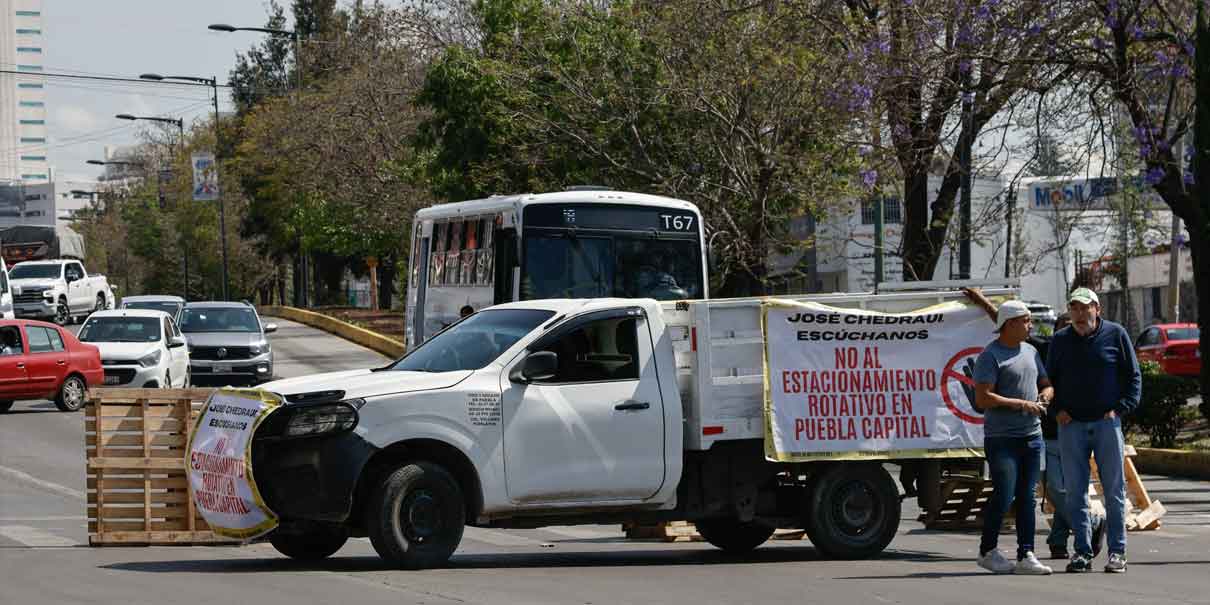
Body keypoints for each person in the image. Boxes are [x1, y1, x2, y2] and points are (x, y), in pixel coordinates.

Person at [1046, 287, 1140, 574]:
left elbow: (1133, 375)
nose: (1079, 313)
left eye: (1085, 307)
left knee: (1114, 491)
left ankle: (1117, 553)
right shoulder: (1060, 340)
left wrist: (1121, 408)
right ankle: (1083, 553)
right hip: (1071, 425)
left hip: (1106, 423)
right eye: (1074, 308)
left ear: (1097, 309)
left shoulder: (1116, 334)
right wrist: (1056, 410)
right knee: (1075, 492)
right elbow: (1048, 380)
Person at [972, 299, 1053, 575]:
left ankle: (1026, 554)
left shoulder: (1031, 351)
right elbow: (982, 398)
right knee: (1005, 494)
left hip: (1032, 437)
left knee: (1027, 497)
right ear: (1009, 324)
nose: (1030, 325)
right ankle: (987, 551)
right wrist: (1021, 404)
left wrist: (1044, 396)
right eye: (1026, 320)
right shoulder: (990, 355)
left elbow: (1046, 383)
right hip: (1001, 438)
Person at [1036, 312, 1104, 560]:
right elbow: (1007, 324)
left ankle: (1069, 533)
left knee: (1063, 488)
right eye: (1063, 328)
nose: (1069, 332)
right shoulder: (1043, 351)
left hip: (1070, 432)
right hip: (1047, 434)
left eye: (1073, 327)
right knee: (1057, 488)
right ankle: (1067, 534)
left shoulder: (1084, 354)